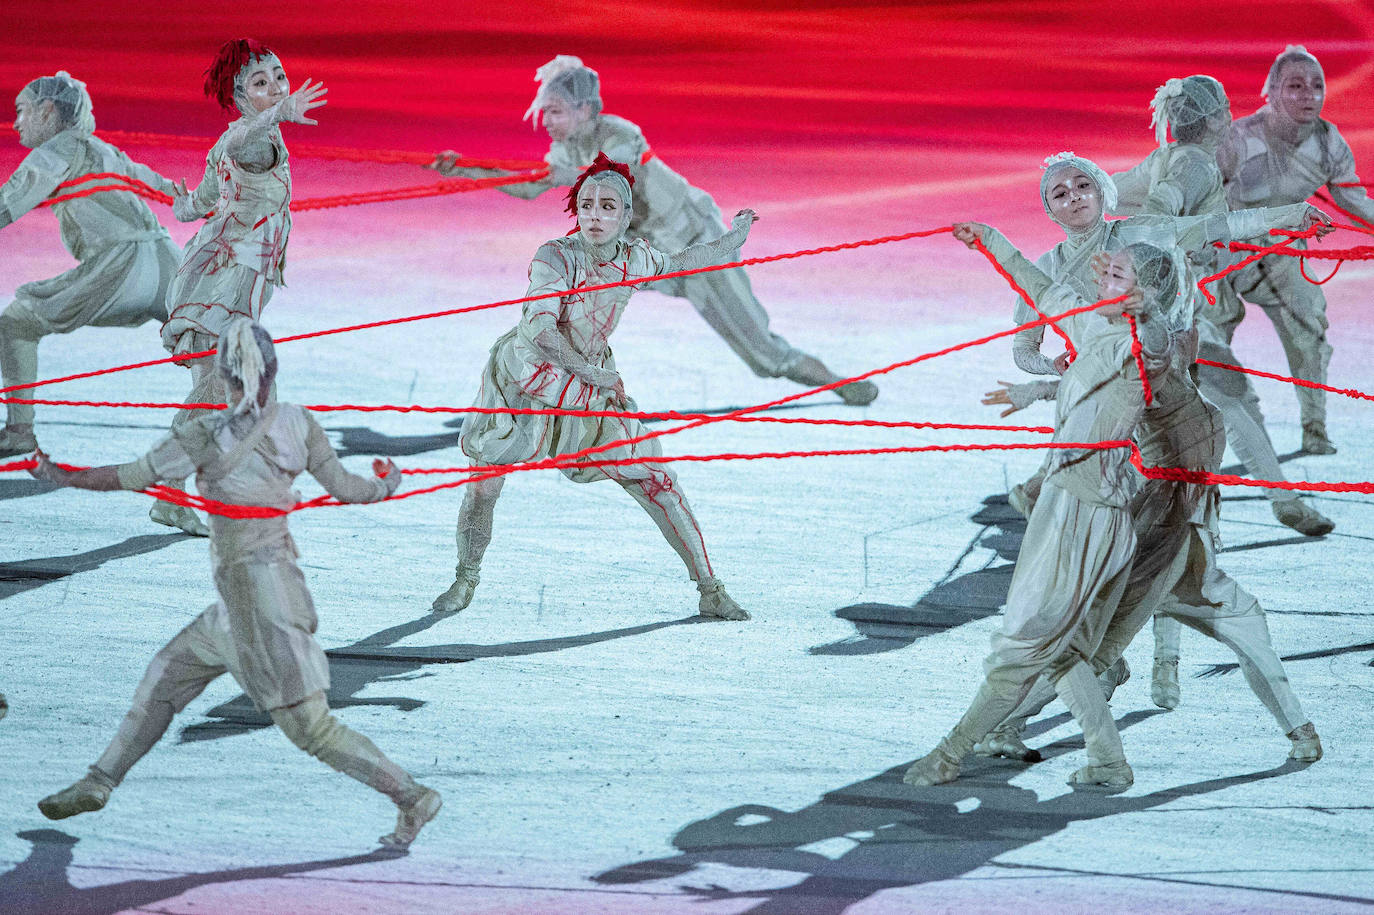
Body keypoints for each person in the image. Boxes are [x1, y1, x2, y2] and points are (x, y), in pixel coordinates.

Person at [29, 320, 441, 851]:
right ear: (272, 370)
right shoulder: (298, 423)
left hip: (257, 605)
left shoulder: (202, 434)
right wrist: (388, 481)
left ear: (223, 376)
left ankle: (411, 796)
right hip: (255, 593)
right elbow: (349, 489)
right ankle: (98, 781)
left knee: (312, 730)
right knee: (167, 676)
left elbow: (129, 476)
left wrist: (60, 475)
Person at [977, 264, 1322, 768]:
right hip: (1154, 534)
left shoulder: (1190, 381)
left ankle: (1301, 731)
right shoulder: (1142, 372)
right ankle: (1001, 725)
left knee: (1243, 622)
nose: (1187, 338)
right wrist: (1039, 391)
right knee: (1095, 651)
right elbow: (1107, 379)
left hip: (1190, 545)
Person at [429, 55, 877, 406]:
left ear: (585, 108)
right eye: (544, 111)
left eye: (556, 110)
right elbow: (530, 185)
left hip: (697, 247)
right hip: (645, 253)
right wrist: (467, 168)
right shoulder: (566, 147)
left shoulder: (621, 134)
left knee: (765, 358)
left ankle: (838, 382)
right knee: (572, 305)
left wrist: (558, 171)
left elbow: (605, 175)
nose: (546, 120)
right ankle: (547, 387)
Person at [905, 226, 1176, 791]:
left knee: (1025, 642)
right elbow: (1040, 287)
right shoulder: (1092, 323)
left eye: (1117, 274)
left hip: (1089, 511)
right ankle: (1107, 760)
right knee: (1060, 649)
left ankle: (949, 753)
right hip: (1068, 498)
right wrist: (993, 243)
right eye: (1106, 271)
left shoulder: (1139, 340)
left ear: (1144, 292)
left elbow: (1156, 344)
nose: (1103, 278)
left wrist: (1145, 313)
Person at [431, 154, 749, 621]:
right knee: (485, 485)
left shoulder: (636, 258)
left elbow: (685, 260)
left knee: (657, 479)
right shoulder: (555, 256)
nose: (594, 216)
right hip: (527, 382)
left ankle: (710, 588)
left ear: (626, 215)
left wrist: (735, 238)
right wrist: (590, 372)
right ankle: (465, 577)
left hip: (591, 386)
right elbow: (541, 329)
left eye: (606, 207)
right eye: (586, 205)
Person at [999, 151, 1326, 524]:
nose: (1073, 195)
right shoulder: (1047, 270)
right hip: (1116, 378)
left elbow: (1220, 225)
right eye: (1060, 194)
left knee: (1230, 407)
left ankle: (1283, 500)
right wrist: (1051, 365)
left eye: (1082, 185)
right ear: (1050, 211)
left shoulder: (1146, 229)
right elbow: (1023, 348)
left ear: (1102, 192)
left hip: (1179, 346)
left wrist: (1295, 215)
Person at [154, 38, 327, 536]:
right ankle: (171, 493)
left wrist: (180, 201)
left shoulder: (243, 136)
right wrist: (279, 113)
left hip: (230, 276)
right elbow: (242, 142)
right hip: (223, 283)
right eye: (261, 83)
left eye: (279, 76)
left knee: (229, 390)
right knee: (216, 387)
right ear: (240, 97)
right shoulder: (248, 136)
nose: (275, 87)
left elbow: (199, 203)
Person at [0, 72, 180, 457]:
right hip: (167, 260)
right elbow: (161, 188)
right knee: (217, 344)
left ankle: (18, 432)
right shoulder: (104, 150)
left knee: (16, 322)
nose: (16, 123)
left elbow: (7, 204)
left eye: (22, 111)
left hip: (122, 268)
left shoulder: (54, 151)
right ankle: (260, 429)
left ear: (47, 110)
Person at [1213, 45, 1374, 454]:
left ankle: (1314, 428)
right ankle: (1201, 435)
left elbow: (1352, 197)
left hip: (1282, 250)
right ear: (1272, 91)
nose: (1308, 95)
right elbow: (1200, 196)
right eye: (1296, 86)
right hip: (1221, 249)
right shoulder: (1238, 137)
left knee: (1309, 326)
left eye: (1316, 86)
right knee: (1206, 334)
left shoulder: (1327, 140)